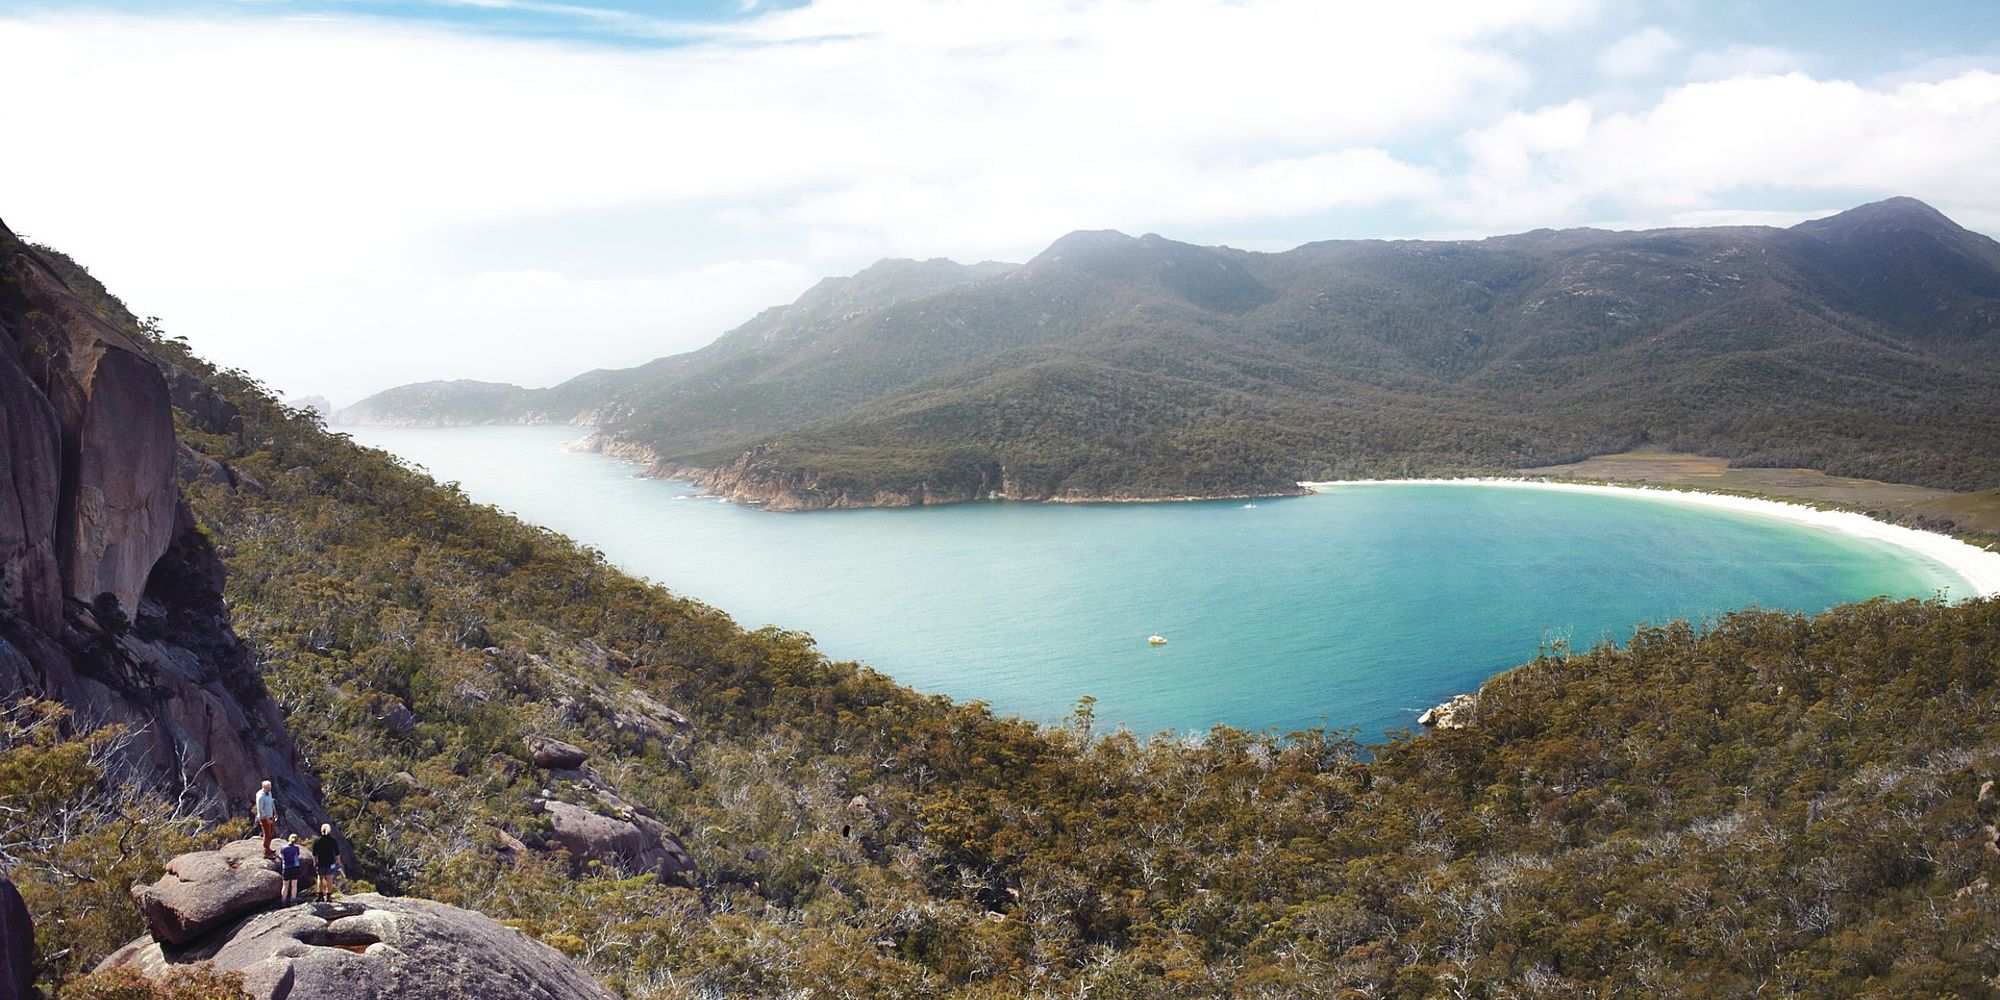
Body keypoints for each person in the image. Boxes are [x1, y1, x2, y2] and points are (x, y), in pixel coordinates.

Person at [311, 823, 342, 903]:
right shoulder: (332, 840)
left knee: (320, 878)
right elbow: (337, 853)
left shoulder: (317, 841)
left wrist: (315, 862)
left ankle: (320, 895)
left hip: (320, 862)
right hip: (330, 862)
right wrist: (338, 861)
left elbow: (314, 854)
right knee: (329, 878)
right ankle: (328, 896)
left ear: (321, 830)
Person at [255, 780, 278, 856]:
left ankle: (268, 847)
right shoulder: (260, 796)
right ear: (263, 787)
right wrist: (266, 819)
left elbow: (271, 803)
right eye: (267, 788)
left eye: (270, 788)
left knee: (271, 833)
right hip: (264, 818)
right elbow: (260, 809)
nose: (269, 789)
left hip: (270, 816)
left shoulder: (269, 793)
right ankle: (266, 851)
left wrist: (275, 812)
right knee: (267, 834)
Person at [278, 834, 303, 903]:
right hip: (295, 867)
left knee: (285, 886)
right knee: (294, 885)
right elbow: (297, 855)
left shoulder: (283, 848)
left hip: (286, 868)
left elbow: (282, 857)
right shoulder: (296, 848)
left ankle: (283, 901)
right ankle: (293, 900)